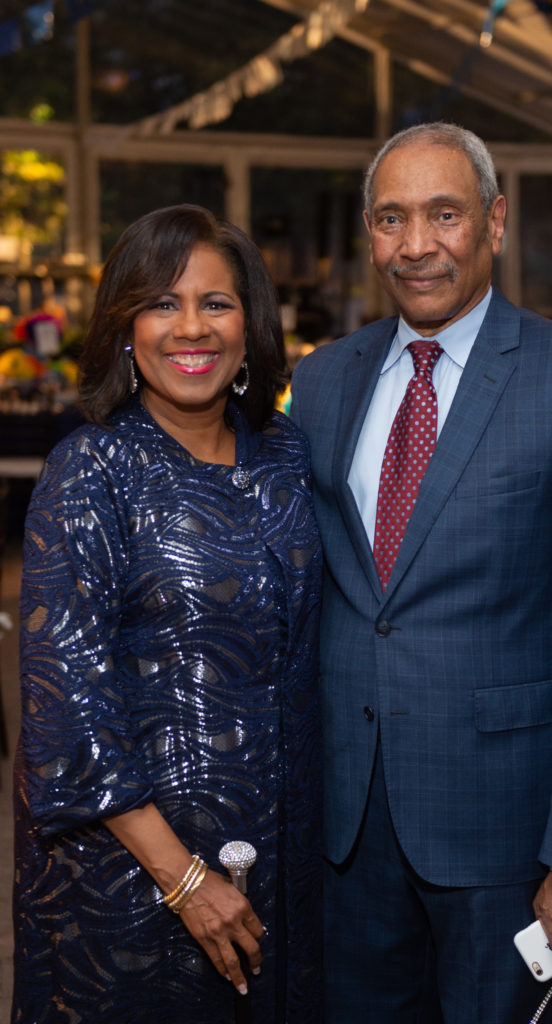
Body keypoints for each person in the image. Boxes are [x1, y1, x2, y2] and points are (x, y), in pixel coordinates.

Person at [290, 123, 552, 1023]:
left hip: (504, 831)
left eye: (444, 214)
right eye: (392, 218)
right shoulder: (324, 380)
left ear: (495, 222)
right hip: (346, 824)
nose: (416, 244)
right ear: (370, 233)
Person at [13, 204, 322, 1024]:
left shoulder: (286, 456)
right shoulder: (92, 470)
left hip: (279, 860)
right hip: (134, 878)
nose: (191, 328)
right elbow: (68, 710)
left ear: (250, 323)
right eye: (161, 303)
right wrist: (185, 881)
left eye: (216, 303)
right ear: (125, 326)